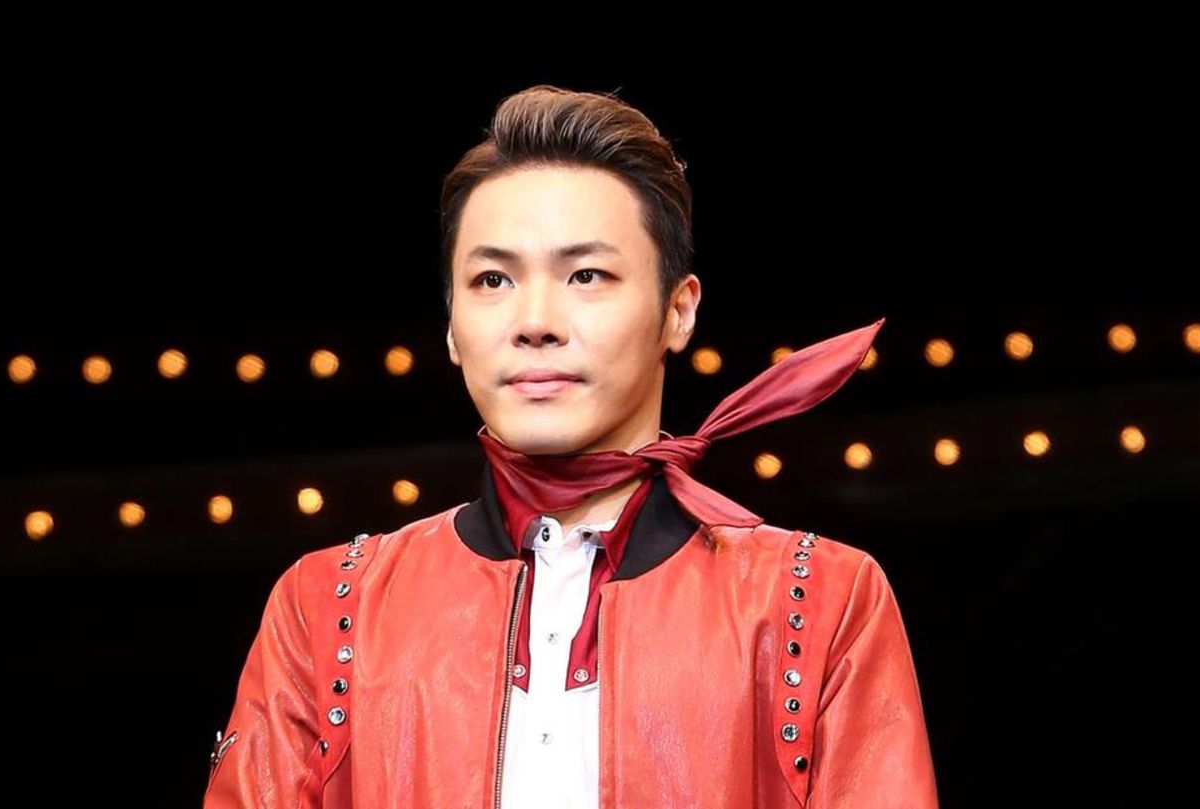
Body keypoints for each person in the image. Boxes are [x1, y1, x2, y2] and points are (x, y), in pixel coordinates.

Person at [203, 83, 938, 809]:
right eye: (492, 279)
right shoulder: (329, 605)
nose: (535, 321)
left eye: (586, 275)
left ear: (678, 311)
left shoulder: (819, 599)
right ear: (452, 326)